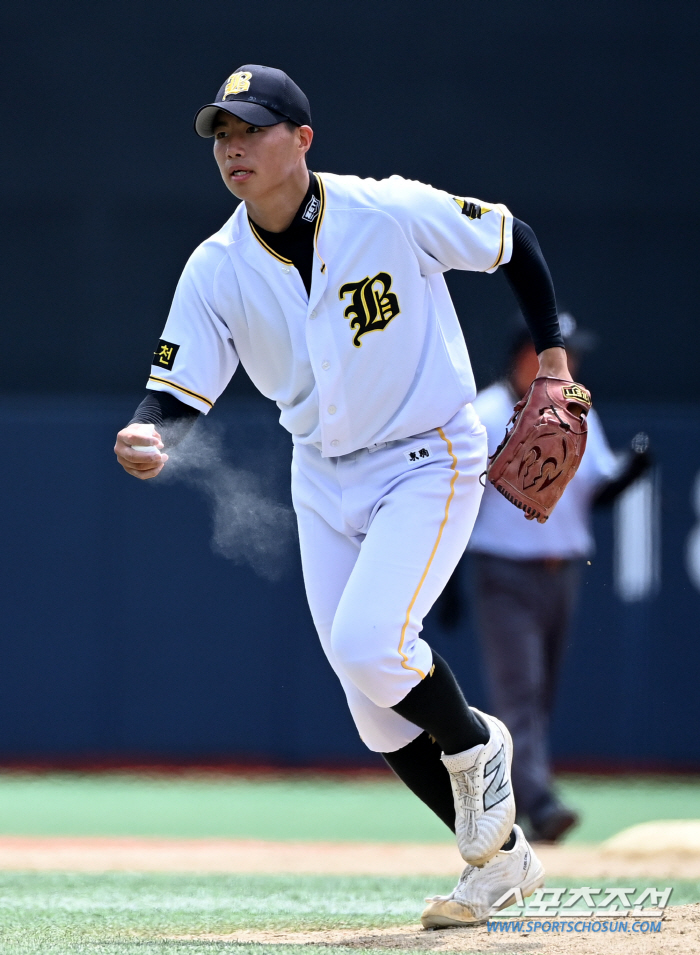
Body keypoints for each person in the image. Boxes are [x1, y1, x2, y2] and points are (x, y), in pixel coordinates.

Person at [113, 63, 577, 926]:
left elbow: (513, 240)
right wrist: (149, 430)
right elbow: (174, 388)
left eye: (251, 129)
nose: (233, 148)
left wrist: (549, 357)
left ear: (303, 140)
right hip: (321, 473)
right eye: (222, 133)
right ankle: (502, 863)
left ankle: (479, 746)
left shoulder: (387, 211)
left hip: (426, 455)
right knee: (373, 711)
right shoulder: (217, 266)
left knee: (372, 642)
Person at [441, 313, 651, 844]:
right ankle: (539, 801)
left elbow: (595, 490)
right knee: (521, 692)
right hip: (504, 572)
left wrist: (630, 474)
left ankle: (513, 800)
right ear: (525, 356)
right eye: (561, 350)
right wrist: (447, 578)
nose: (571, 361)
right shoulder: (489, 413)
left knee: (541, 693)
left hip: (560, 575)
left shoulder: (576, 409)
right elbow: (456, 501)